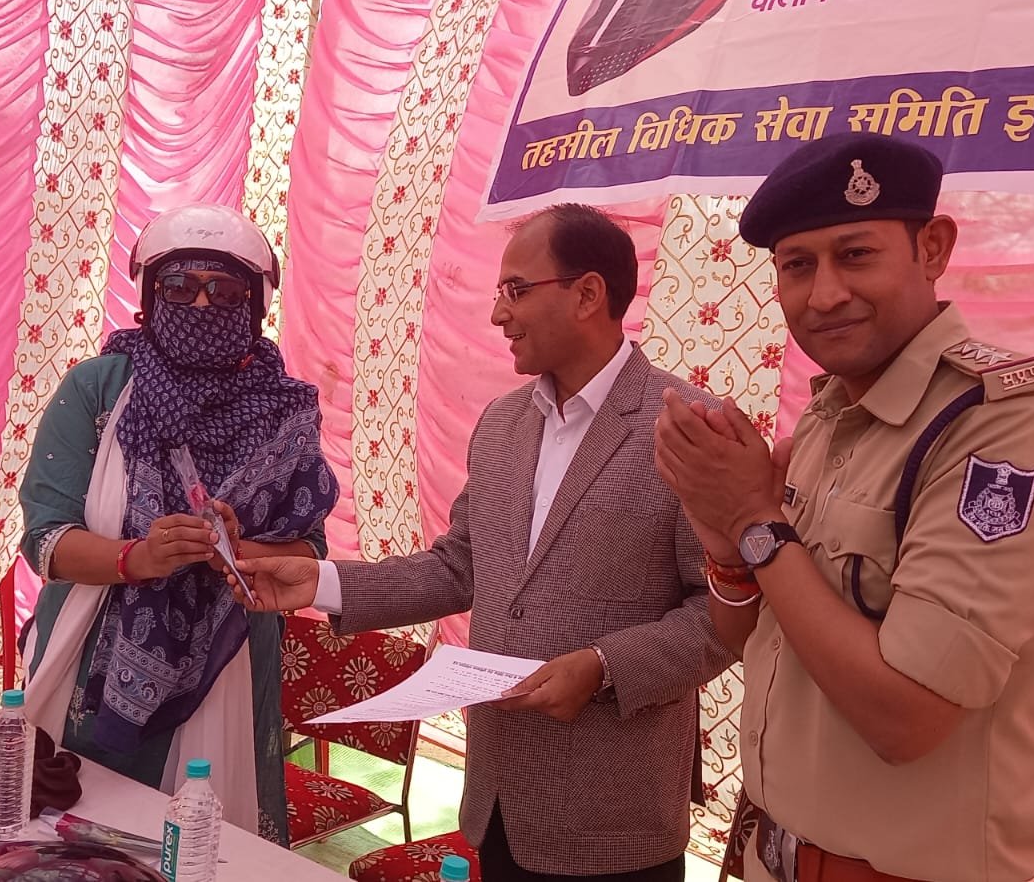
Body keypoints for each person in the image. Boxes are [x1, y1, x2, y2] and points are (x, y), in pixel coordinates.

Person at [654, 133, 1034, 882]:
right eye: (797, 265)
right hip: (771, 855)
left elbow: (907, 718)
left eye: (856, 254)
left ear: (932, 248)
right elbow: (748, 635)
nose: (824, 294)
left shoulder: (1003, 431)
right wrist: (729, 545)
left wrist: (755, 522)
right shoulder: (828, 418)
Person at [231, 203, 731, 882]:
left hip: (612, 818)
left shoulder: (688, 429)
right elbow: (460, 565)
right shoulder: (501, 425)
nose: (498, 315)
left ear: (588, 294)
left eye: (516, 290)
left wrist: (602, 666)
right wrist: (320, 581)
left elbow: (723, 615)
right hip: (498, 804)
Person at [17, 204, 337, 844]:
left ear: (254, 305)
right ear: (148, 296)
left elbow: (309, 548)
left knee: (203, 844)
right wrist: (137, 558)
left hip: (229, 657)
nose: (201, 304)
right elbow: (45, 539)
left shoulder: (284, 409)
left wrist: (241, 548)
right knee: (76, 838)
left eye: (224, 290)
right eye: (179, 286)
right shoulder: (100, 389)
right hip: (93, 654)